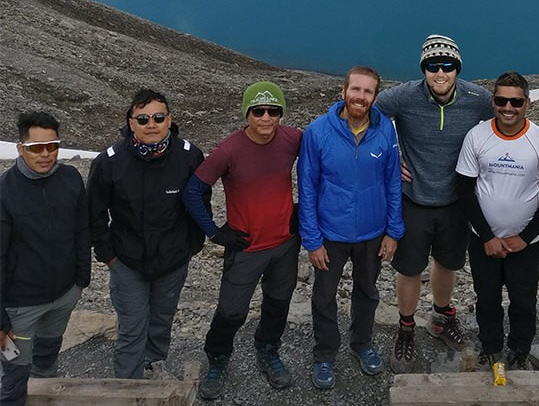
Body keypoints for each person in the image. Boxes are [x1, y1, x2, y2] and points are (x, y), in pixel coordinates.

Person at [375, 34, 493, 373]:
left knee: (447, 263)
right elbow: (368, 113)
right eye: (432, 66)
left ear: (457, 68)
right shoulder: (405, 96)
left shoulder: (477, 98)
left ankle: (441, 318)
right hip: (413, 198)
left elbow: (505, 118)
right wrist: (388, 156)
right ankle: (406, 327)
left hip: (456, 200)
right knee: (409, 268)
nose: (440, 73)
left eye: (447, 66)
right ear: (423, 68)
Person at [183, 81, 302, 399]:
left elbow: (325, 160)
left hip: (285, 243)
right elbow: (193, 190)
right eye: (258, 111)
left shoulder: (292, 139)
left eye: (274, 111)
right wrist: (214, 231)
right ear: (247, 113)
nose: (266, 118)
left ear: (281, 114)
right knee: (231, 311)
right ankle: (218, 359)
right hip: (246, 246)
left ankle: (268, 350)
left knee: (278, 303)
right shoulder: (228, 150)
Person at [87, 89, 206, 379]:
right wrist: (109, 256)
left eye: (158, 117)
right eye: (142, 118)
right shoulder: (110, 162)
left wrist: (192, 245)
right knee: (132, 325)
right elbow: (94, 213)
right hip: (127, 260)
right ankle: (127, 385)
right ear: (131, 123)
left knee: (162, 319)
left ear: (169, 120)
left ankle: (154, 368)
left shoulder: (189, 157)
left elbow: (200, 204)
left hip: (173, 259)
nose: (150, 123)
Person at [299, 66, 404, 389]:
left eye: (368, 91)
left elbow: (392, 183)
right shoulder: (317, 132)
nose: (360, 96)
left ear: (375, 96)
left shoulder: (385, 130)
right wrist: (312, 239)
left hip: (372, 233)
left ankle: (362, 344)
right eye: (355, 89)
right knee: (324, 295)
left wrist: (393, 231)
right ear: (343, 91)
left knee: (368, 292)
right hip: (330, 233)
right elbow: (306, 187)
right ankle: (325, 354)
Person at [456, 72, 539, 371]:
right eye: (501, 100)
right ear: (493, 101)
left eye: (515, 101)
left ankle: (519, 350)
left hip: (525, 245)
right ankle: (491, 348)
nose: (508, 107)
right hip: (482, 240)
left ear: (527, 103)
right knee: (487, 299)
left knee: (523, 301)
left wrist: (526, 236)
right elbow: (465, 189)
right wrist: (487, 236)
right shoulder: (476, 137)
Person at [1, 112, 90, 405]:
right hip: (20, 306)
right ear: (19, 148)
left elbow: (81, 229)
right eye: (36, 148)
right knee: (14, 376)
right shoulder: (4, 191)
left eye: (52, 146)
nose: (45, 154)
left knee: (48, 357)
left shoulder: (70, 178)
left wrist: (81, 280)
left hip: (64, 294)